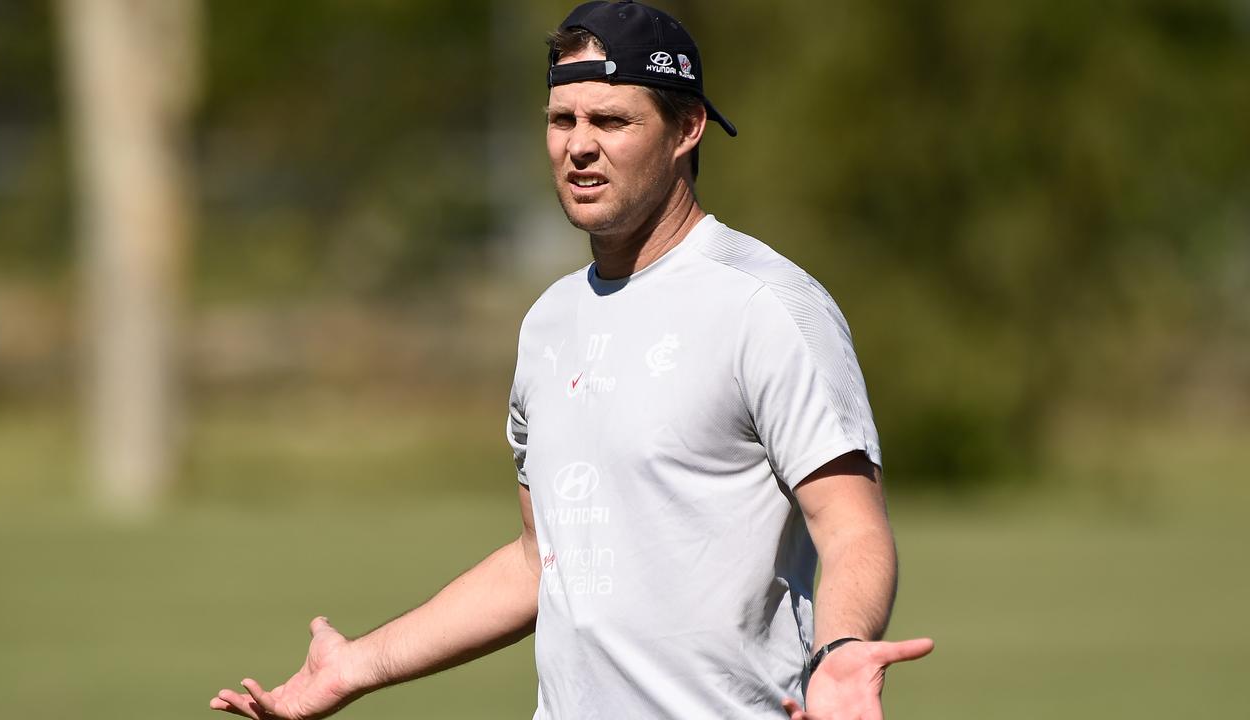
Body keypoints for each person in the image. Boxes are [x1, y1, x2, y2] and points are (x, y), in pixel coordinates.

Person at [209, 1, 932, 718]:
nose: (578, 146)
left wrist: (839, 654)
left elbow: (851, 527)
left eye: (612, 121)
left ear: (686, 129)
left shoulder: (767, 306)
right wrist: (357, 665)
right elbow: (540, 560)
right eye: (563, 121)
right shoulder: (549, 322)